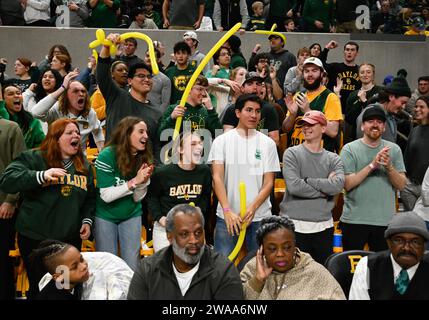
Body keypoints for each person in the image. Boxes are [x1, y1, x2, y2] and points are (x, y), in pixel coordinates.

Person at [0, 118, 95, 299]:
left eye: (77, 132)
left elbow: (90, 198)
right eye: (69, 133)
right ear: (55, 138)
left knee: (65, 289)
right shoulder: (34, 158)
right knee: (40, 288)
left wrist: (86, 220)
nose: (76, 135)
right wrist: (41, 175)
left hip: (68, 242)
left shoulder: (84, 166)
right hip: (36, 240)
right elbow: (7, 180)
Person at [208, 94, 280, 258]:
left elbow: (269, 182)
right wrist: (227, 210)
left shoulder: (267, 143)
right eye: (249, 110)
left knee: (260, 266)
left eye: (257, 111)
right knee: (222, 266)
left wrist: (252, 208)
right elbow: (217, 178)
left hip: (259, 216)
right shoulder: (222, 141)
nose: (254, 115)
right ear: (238, 113)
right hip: (227, 216)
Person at [127, 203, 244, 299]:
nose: (193, 240)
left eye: (198, 233)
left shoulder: (224, 271)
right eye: (184, 234)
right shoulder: (147, 269)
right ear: (170, 237)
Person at [280, 111, 345, 264]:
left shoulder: (333, 158)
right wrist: (325, 189)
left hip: (323, 227)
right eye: (304, 124)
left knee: (322, 276)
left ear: (323, 128)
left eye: (311, 124)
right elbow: (295, 186)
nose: (306, 128)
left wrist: (308, 181)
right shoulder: (291, 154)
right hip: (294, 225)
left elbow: (338, 185)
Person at [340, 105, 407, 252]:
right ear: (362, 126)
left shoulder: (394, 150)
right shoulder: (349, 149)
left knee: (382, 271)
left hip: (385, 221)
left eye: (379, 121)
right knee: (351, 271)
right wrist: (373, 165)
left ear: (384, 128)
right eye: (370, 121)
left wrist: (389, 167)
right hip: (354, 221)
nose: (375, 124)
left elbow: (402, 185)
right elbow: (348, 184)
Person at [94, 116, 154, 271]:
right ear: (127, 134)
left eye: (146, 132)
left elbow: (137, 197)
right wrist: (134, 181)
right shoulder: (106, 155)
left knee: (131, 265)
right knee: (108, 263)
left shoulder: (143, 157)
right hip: (105, 214)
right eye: (141, 131)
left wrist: (143, 182)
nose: (146, 136)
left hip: (131, 213)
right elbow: (106, 196)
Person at [240, 216, 346, 300]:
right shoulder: (252, 268)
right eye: (272, 249)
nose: (280, 254)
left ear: (295, 246)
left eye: (287, 247)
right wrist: (257, 281)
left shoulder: (316, 273)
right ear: (262, 250)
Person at [96, 33, 163, 160]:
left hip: (141, 171)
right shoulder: (117, 97)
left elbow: (156, 147)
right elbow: (102, 73)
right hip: (113, 165)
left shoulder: (157, 112)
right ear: (130, 81)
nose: (146, 79)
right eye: (141, 76)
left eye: (149, 77)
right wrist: (106, 47)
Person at [147, 132, 211, 251]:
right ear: (180, 149)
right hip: (166, 228)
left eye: (200, 144)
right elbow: (151, 197)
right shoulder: (163, 173)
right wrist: (161, 218)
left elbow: (205, 196)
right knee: (166, 266)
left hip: (192, 226)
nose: (199, 147)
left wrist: (200, 209)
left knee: (193, 266)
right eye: (193, 144)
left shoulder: (205, 171)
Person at [349, 211, 429, 300]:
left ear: (424, 246)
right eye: (399, 240)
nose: (407, 248)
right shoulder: (367, 266)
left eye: (415, 242)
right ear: (388, 242)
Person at [32, 240, 133, 300]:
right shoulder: (54, 296)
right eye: (74, 267)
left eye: (82, 259)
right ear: (58, 276)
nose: (84, 266)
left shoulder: (71, 283)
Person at [31, 71, 104, 153]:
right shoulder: (57, 109)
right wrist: (62, 88)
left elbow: (98, 130)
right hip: (55, 156)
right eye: (75, 91)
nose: (81, 94)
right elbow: (36, 113)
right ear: (66, 96)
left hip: (79, 158)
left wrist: (101, 151)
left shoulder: (90, 113)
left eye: (83, 91)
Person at [282, 57, 342, 153]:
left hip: (319, 156)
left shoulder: (330, 97)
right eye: (306, 71)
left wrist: (308, 111)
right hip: (297, 153)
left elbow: (333, 132)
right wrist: (292, 115)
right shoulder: (298, 95)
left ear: (321, 74)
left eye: (314, 71)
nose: (310, 74)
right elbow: (285, 128)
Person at [0, 118, 26, 300]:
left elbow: (20, 166)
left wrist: (10, 200)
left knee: (3, 261)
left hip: (3, 205)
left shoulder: (10, 128)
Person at [222, 72, 280, 146]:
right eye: (250, 84)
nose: (255, 87)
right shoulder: (232, 109)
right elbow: (226, 138)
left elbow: (275, 141)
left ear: (262, 88)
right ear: (242, 88)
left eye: (258, 84)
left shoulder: (269, 109)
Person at [158, 75, 221, 141]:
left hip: (201, 150)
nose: (204, 93)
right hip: (180, 150)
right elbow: (161, 138)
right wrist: (171, 118)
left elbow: (218, 135)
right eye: (200, 89)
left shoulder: (206, 111)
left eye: (206, 90)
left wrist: (211, 110)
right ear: (188, 89)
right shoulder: (174, 109)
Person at [356, 76, 412, 143]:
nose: (403, 107)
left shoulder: (390, 116)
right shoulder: (369, 113)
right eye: (402, 102)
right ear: (391, 97)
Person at [401, 96, 429, 211]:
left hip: (427, 187)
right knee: (413, 224)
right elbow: (407, 157)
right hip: (411, 186)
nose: (417, 109)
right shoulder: (415, 130)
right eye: (416, 106)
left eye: (421, 107)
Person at [345, 63, 383, 142]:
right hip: (357, 137)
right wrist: (359, 101)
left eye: (368, 72)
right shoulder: (353, 95)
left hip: (376, 135)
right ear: (359, 75)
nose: (365, 75)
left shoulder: (381, 92)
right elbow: (349, 119)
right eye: (362, 72)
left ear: (373, 74)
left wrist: (365, 101)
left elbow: (381, 114)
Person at [0, 83, 45, 149]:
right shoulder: (2, 118)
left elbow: (42, 147)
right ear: (3, 100)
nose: (16, 96)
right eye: (10, 94)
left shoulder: (33, 122)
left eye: (18, 93)